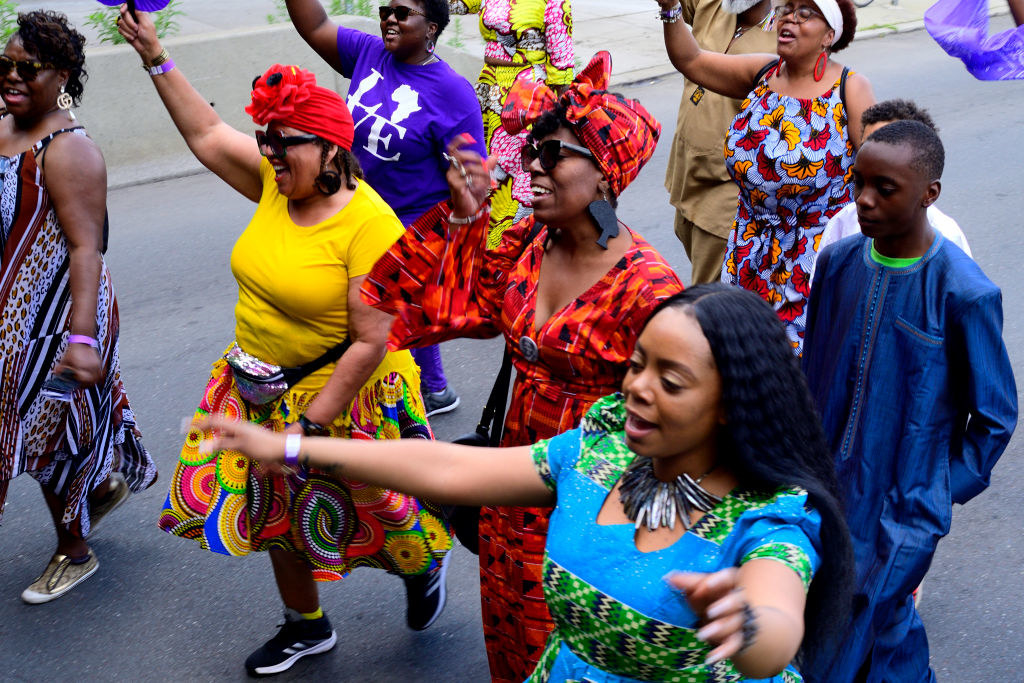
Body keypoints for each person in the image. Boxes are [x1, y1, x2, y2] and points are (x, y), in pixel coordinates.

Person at [201, 284, 855, 683]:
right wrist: (298, 446)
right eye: (636, 364)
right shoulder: (602, 450)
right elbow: (454, 468)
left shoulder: (771, 516)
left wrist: (747, 623)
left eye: (671, 379)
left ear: (730, 405)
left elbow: (776, 618)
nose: (636, 386)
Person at [117, 10, 453, 677]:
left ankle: (425, 566)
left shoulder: (370, 224)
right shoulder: (276, 181)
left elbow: (368, 341)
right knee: (275, 511)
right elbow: (208, 131)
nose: (270, 152)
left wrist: (305, 429)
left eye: (285, 141)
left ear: (332, 148)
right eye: (266, 139)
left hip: (344, 395)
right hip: (256, 382)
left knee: (384, 515)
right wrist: (155, 54)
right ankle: (307, 625)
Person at [363, 51, 682, 682]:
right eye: (533, 149)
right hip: (510, 495)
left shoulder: (650, 290)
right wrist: (460, 220)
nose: (532, 164)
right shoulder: (531, 244)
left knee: (571, 657)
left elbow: (678, 432)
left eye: (555, 153)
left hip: (590, 506)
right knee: (508, 646)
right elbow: (437, 310)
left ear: (607, 177)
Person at [802, 121, 1018, 681]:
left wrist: (935, 491)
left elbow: (994, 417)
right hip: (819, 488)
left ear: (930, 194)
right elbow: (814, 369)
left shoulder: (964, 290)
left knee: (857, 625)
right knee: (852, 632)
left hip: (903, 505)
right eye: (859, 183)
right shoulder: (838, 262)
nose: (864, 200)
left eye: (885, 188)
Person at [0, 10, 157, 604]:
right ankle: (100, 487)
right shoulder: (3, 124)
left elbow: (86, 247)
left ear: (60, 75)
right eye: (5, 65)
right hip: (11, 308)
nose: (11, 76)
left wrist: (81, 340)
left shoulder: (68, 150)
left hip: (57, 316)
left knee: (47, 432)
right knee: (59, 423)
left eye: (27, 69)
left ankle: (75, 553)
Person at [283, 0, 488, 417]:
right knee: (379, 314)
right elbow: (315, 24)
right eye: (385, 9)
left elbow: (475, 178)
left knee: (380, 314)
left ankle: (407, 397)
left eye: (402, 11)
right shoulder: (368, 53)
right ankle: (434, 390)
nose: (389, 18)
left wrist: (455, 221)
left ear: (431, 27)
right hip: (356, 209)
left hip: (410, 225)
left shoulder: (451, 92)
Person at [656, 0, 874, 353]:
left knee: (792, 370)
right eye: (787, 9)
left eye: (806, 13)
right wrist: (670, 12)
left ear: (829, 35)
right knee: (735, 359)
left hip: (809, 264)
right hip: (748, 252)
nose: (790, 17)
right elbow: (691, 59)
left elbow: (880, 169)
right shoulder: (764, 72)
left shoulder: (850, 88)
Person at [663, 0, 776, 285]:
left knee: (707, 304)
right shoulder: (714, 4)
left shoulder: (785, 37)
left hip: (725, 200)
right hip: (687, 180)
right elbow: (678, 20)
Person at [448, 0, 574, 247]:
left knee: (516, 180)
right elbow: (453, 4)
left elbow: (561, 63)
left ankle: (509, 251)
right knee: (485, 173)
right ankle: (481, 248)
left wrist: (562, 122)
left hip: (526, 99)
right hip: (489, 92)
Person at [814, 99, 971, 272]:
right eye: (868, 145)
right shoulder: (842, 227)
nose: (874, 155)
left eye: (886, 189)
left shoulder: (948, 240)